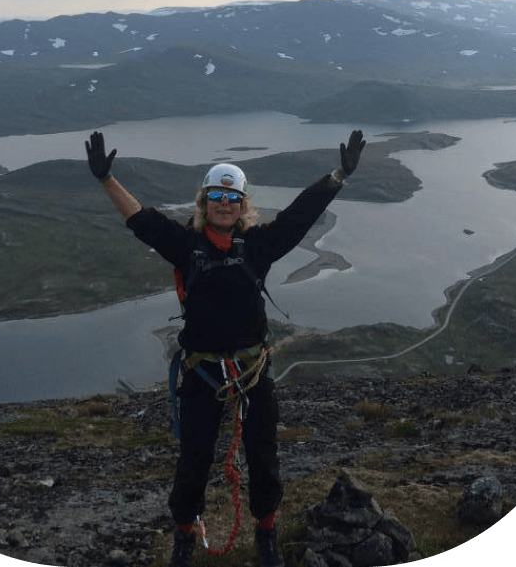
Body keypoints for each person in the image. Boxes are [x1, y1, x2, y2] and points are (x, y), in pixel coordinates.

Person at [85, 129, 366, 567]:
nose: (224, 203)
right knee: (194, 459)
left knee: (263, 455)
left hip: (252, 369)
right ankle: (184, 535)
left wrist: (338, 176)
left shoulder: (259, 245)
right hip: (202, 373)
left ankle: (267, 532)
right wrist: (107, 180)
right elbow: (141, 220)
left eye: (232, 197)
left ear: (242, 205)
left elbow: (300, 215)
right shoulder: (185, 246)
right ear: (204, 203)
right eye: (215, 195)